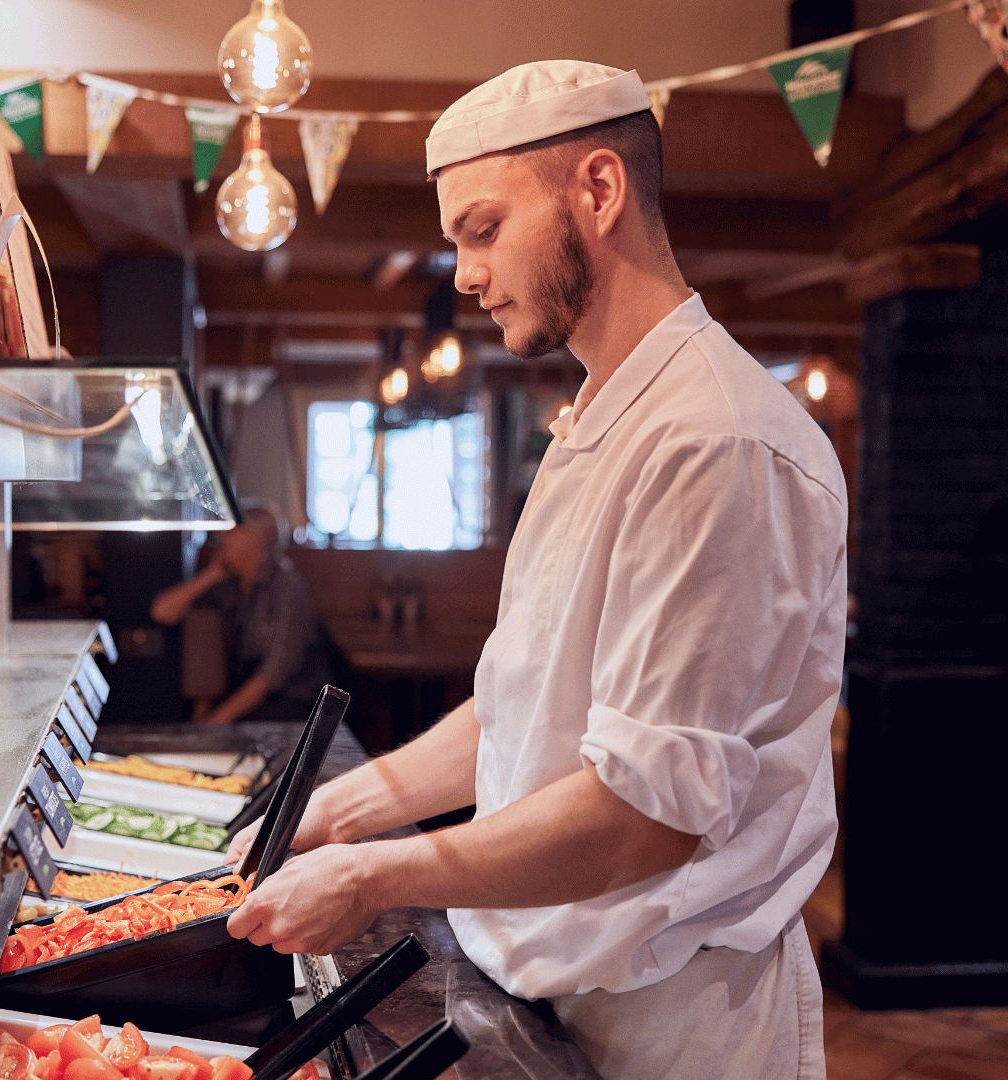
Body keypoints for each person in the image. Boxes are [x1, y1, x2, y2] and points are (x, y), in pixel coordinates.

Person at [223, 60, 847, 1080]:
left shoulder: (715, 439)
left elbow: (644, 818)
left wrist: (375, 876)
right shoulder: (596, 418)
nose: (464, 274)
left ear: (597, 191)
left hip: (672, 1014)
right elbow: (523, 702)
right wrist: (340, 808)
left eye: (481, 228)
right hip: (554, 977)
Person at [150, 502, 331, 725]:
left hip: (289, 708)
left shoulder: (289, 588)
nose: (221, 538)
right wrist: (212, 574)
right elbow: (162, 612)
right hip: (243, 702)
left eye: (231, 532)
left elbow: (272, 675)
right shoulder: (228, 584)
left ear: (256, 540)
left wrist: (210, 726)